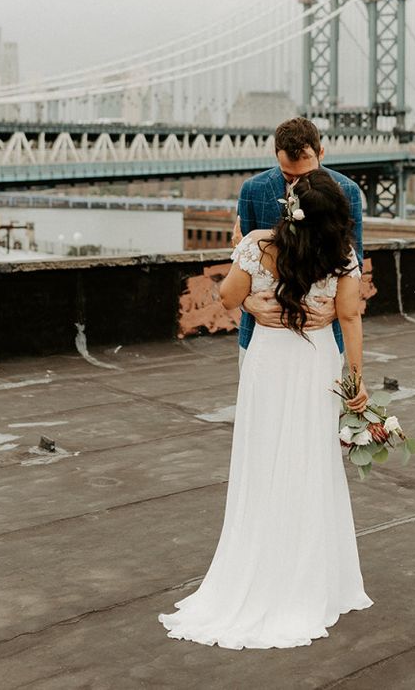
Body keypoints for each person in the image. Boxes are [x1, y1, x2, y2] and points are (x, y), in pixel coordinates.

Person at [158, 168, 373, 649]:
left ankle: (258, 563)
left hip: (269, 361)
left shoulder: (257, 245)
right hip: (317, 360)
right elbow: (351, 317)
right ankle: (313, 576)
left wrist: (259, 299)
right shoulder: (341, 256)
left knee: (262, 460)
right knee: (310, 462)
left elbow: (228, 297)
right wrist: (356, 383)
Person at [233, 117, 363, 367]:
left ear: (321, 152)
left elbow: (355, 263)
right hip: (261, 333)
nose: (296, 185)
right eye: (288, 175)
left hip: (323, 332)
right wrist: (248, 304)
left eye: (304, 175)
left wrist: (336, 310)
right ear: (276, 156)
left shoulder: (348, 191)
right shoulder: (252, 190)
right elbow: (243, 264)